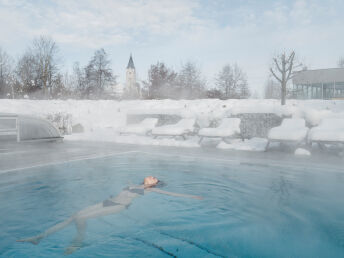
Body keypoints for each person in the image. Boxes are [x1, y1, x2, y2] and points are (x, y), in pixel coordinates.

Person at [17, 176, 202, 254]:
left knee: (81, 219)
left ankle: (77, 242)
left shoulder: (151, 190)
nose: (151, 176)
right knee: (74, 215)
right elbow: (125, 187)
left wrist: (191, 196)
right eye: (151, 175)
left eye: (154, 178)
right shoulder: (135, 184)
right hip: (109, 201)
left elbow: (170, 194)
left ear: (153, 184)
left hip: (118, 206)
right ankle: (38, 237)